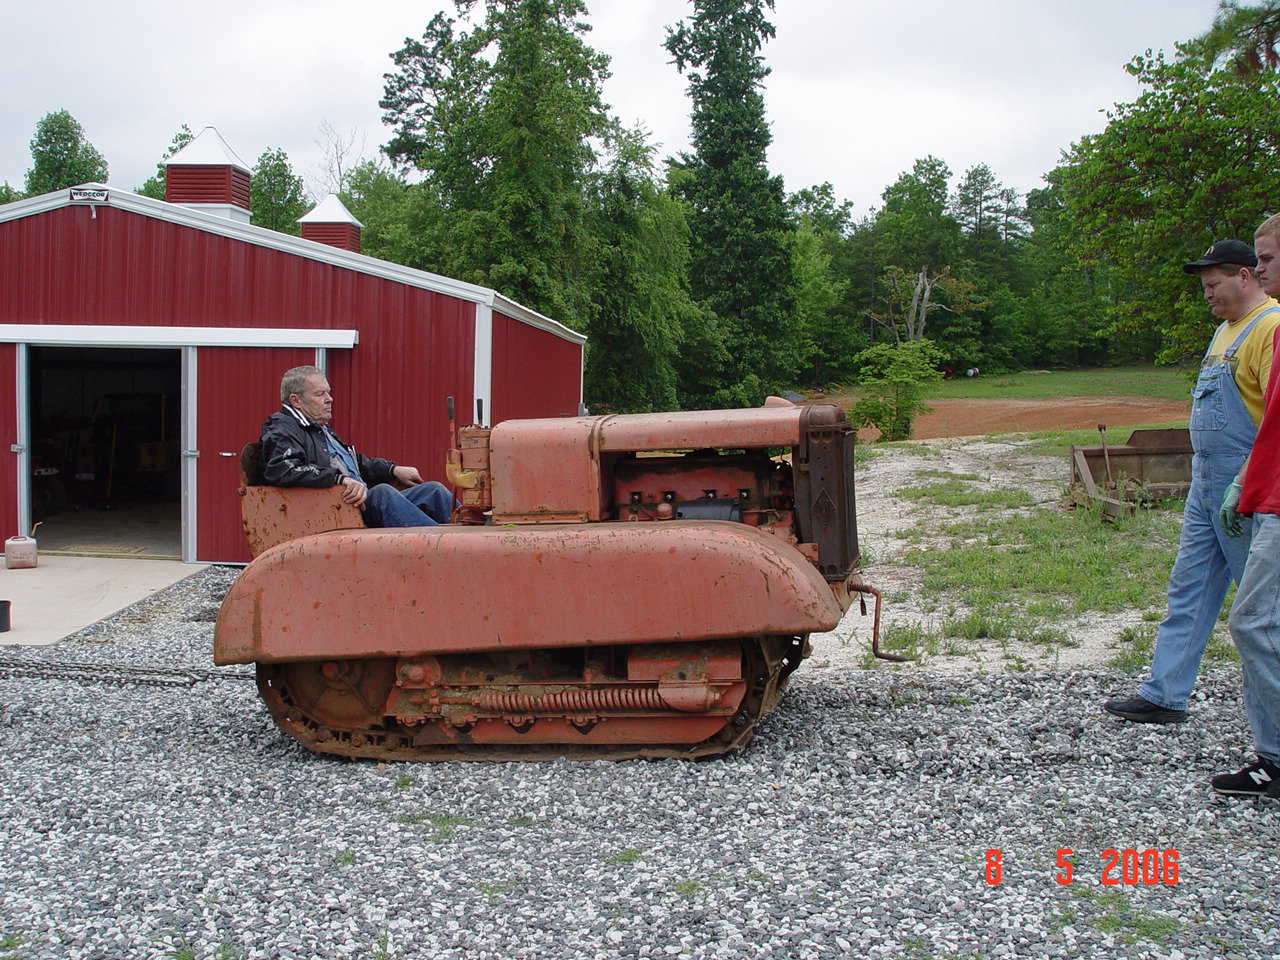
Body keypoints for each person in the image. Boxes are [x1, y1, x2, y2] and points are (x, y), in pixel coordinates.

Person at [1104, 239, 1280, 725]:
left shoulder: (1270, 326)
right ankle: (1165, 693)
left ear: (1245, 276)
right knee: (1189, 586)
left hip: (1245, 485)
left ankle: (1271, 734)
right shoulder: (1226, 331)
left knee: (1259, 610)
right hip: (1205, 480)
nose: (1207, 294)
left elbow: (1274, 419)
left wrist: (1246, 482)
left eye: (1214, 283)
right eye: (1205, 286)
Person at [1214, 215, 1280, 795]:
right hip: (1254, 490)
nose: (1259, 269)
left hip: (1270, 497)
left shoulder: (1271, 326)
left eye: (1268, 258)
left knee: (1253, 621)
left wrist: (1247, 484)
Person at [259, 365, 453, 527]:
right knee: (381, 494)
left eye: (328, 392)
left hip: (354, 504)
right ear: (296, 401)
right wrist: (338, 479)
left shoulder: (320, 429)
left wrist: (392, 470)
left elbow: (354, 463)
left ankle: (477, 538)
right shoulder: (282, 428)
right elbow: (283, 469)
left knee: (433, 491)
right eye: (320, 394)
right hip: (334, 511)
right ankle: (442, 549)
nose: (329, 399)